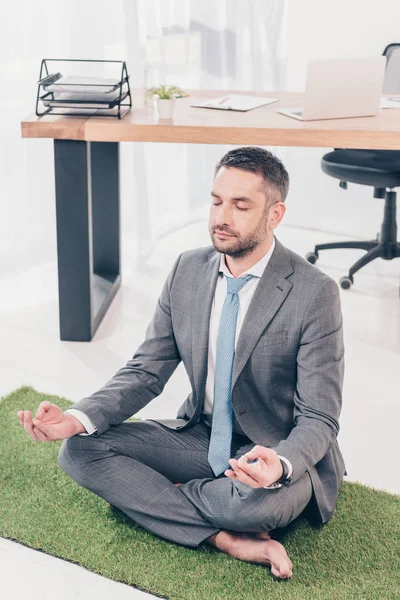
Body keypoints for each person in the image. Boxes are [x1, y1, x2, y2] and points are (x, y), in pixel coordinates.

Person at [17, 146, 346, 580]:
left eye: (240, 205)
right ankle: (223, 537)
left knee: (260, 505)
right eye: (216, 201)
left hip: (271, 452)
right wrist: (78, 417)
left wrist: (281, 465)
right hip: (200, 437)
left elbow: (319, 416)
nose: (221, 217)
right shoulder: (187, 270)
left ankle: (158, 498)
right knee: (78, 451)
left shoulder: (314, 292)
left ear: (275, 214)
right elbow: (146, 369)